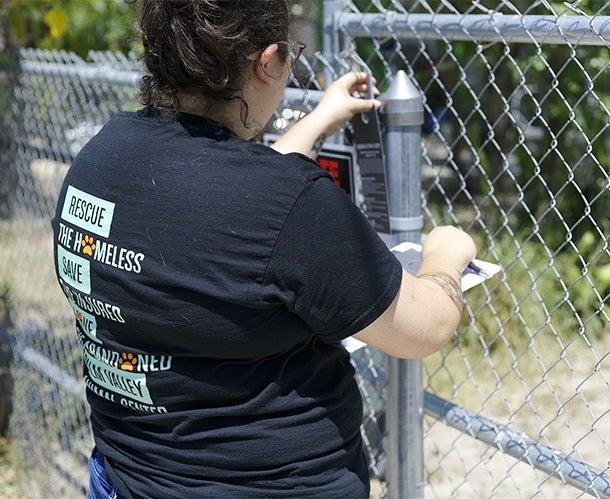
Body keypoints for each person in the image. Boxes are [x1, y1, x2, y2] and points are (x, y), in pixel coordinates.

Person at [50, 1, 477, 497]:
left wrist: (320, 119)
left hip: (127, 477)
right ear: (269, 61)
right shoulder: (292, 205)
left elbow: (231, 211)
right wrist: (446, 252)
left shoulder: (100, 159)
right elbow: (424, 327)